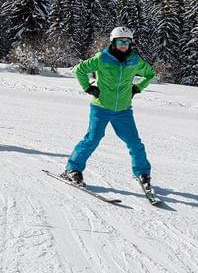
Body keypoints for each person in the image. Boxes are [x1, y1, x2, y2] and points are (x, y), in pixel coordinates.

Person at [62, 27, 156, 187]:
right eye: (121, 41)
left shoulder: (134, 60)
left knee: (135, 143)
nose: (124, 45)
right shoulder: (102, 58)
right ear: (113, 42)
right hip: (101, 108)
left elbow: (150, 73)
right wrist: (87, 87)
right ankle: (73, 169)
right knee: (92, 139)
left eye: (127, 42)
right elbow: (80, 70)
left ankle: (142, 173)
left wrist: (138, 87)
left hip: (124, 110)